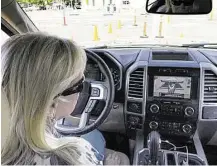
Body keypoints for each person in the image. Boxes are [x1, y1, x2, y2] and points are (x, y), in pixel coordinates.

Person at [1, 33, 129, 165]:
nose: (85, 88)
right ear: (51, 104)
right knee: (96, 136)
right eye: (79, 84)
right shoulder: (72, 156)